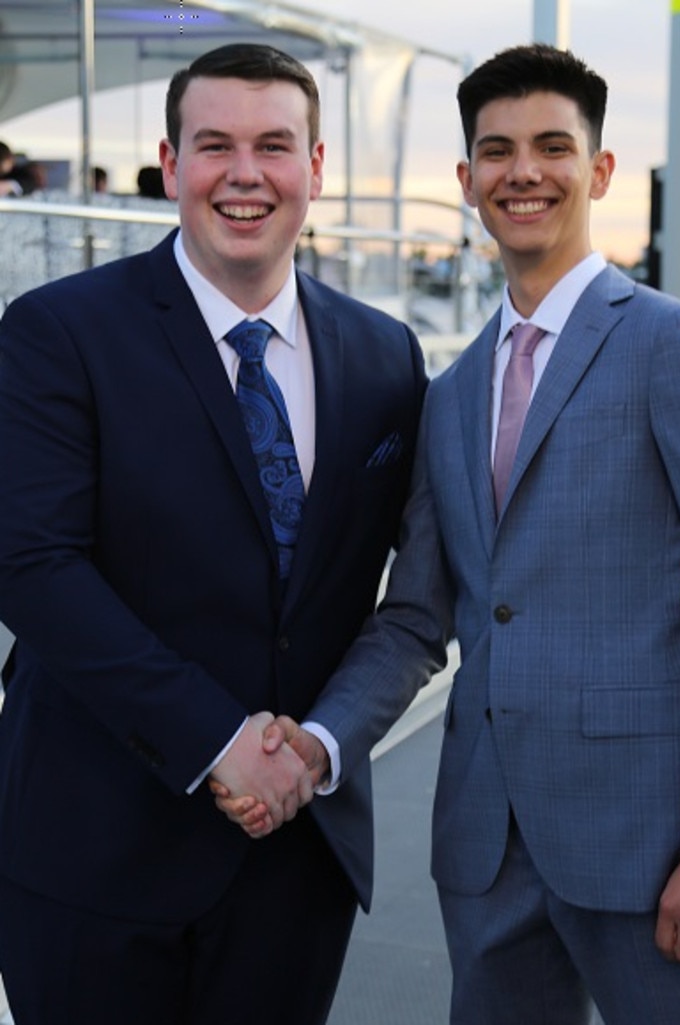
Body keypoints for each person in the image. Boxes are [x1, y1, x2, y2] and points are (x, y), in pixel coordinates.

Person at [220, 43, 680, 1024]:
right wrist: (318, 743)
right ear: (467, 178)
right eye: (498, 149)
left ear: (598, 172)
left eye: (554, 146)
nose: (525, 170)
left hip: (657, 843)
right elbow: (420, 616)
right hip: (484, 841)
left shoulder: (672, 344)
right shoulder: (453, 388)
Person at [0, 42, 426, 1025]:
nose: (244, 173)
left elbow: (428, 569)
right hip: (95, 847)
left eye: (275, 145)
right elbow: (31, 564)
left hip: (295, 858)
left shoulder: (383, 354)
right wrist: (216, 738)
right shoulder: (58, 331)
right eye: (215, 145)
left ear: (318, 167)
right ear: (169, 162)